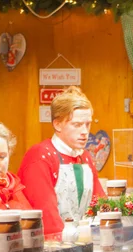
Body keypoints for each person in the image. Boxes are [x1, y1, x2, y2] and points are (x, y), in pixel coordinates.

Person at [18, 86, 105, 235]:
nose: (84, 132)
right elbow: (46, 215)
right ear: (57, 124)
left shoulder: (85, 156)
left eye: (88, 124)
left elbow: (99, 201)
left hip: (82, 242)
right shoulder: (41, 156)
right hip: (52, 246)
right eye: (76, 125)